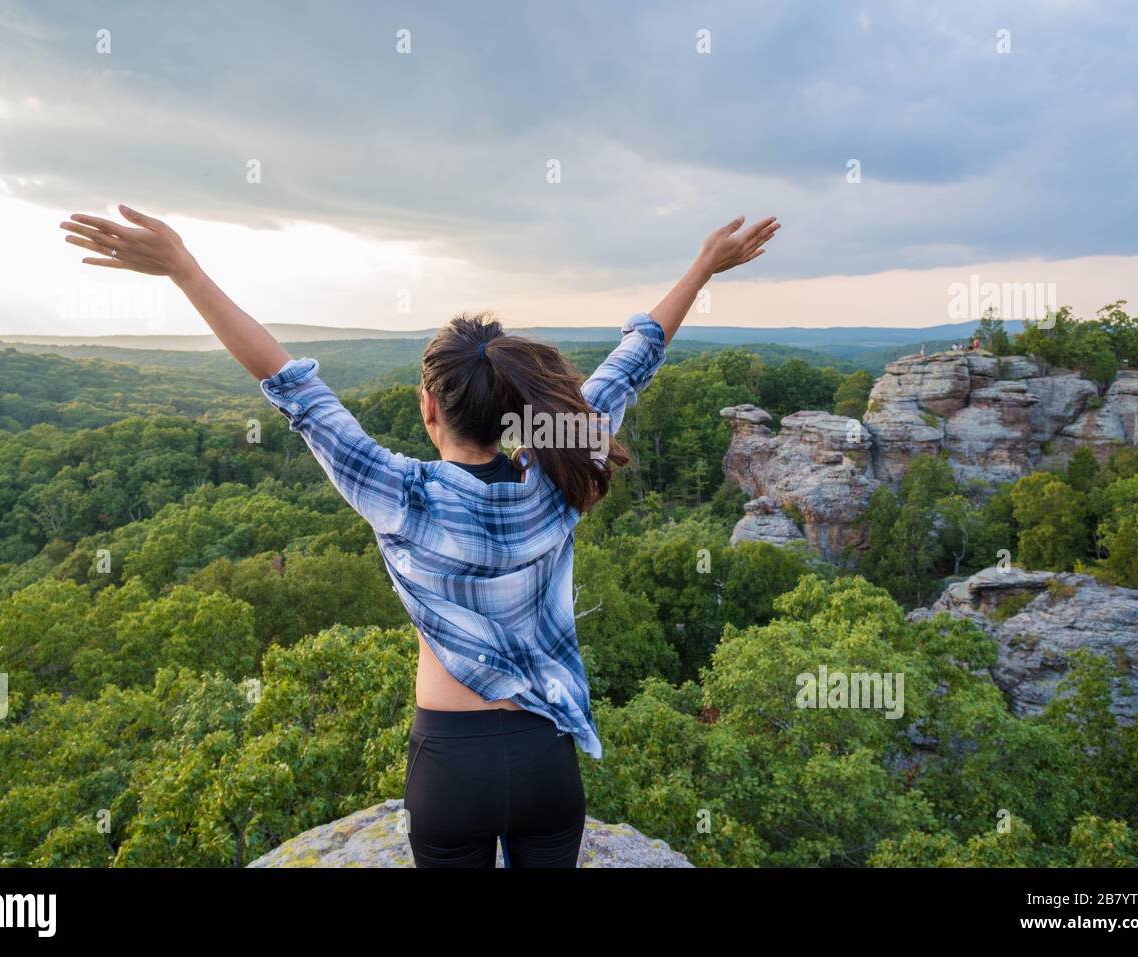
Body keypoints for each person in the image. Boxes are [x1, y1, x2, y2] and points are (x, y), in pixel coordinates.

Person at [59, 205, 780, 867]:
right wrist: (702, 267)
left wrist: (183, 267)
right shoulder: (563, 463)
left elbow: (288, 382)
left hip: (450, 760)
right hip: (545, 755)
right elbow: (636, 357)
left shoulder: (400, 494)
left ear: (427, 405)